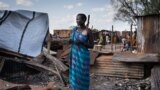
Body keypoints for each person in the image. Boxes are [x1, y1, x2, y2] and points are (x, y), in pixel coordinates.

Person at [69, 13, 94, 90]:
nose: (77, 21)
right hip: (74, 55)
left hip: (83, 56)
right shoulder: (74, 30)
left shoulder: (88, 31)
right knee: (74, 73)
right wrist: (70, 41)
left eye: (79, 19)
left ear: (84, 20)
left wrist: (82, 42)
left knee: (82, 74)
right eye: (76, 19)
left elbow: (92, 46)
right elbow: (71, 41)